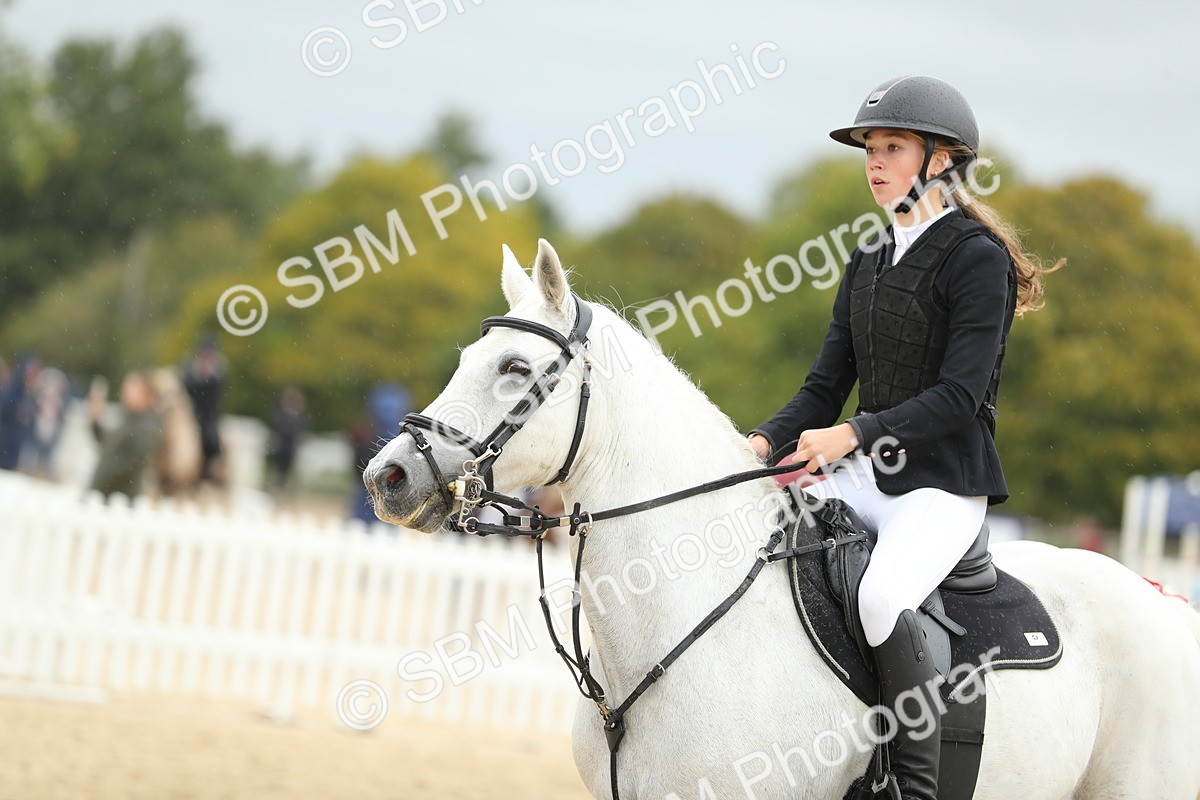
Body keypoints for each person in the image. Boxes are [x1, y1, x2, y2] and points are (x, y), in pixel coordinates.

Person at [746, 76, 1060, 800]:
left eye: (893, 147)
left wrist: (852, 434)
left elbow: (959, 396)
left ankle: (912, 785)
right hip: (863, 474)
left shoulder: (976, 257)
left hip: (943, 483)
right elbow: (824, 387)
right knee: (766, 553)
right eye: (870, 149)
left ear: (940, 160)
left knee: (884, 597)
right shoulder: (867, 258)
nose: (875, 162)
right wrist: (759, 445)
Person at [89, 370, 164, 498]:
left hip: (120, 498)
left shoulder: (147, 426)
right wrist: (95, 422)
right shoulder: (129, 419)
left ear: (147, 394)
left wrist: (103, 479)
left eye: (133, 388)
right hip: (106, 497)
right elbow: (108, 443)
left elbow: (128, 462)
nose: (126, 391)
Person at [182, 335, 227, 484]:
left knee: (210, 439)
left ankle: (208, 471)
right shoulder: (190, 370)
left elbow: (213, 399)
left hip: (207, 416)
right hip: (189, 414)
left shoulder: (217, 373)